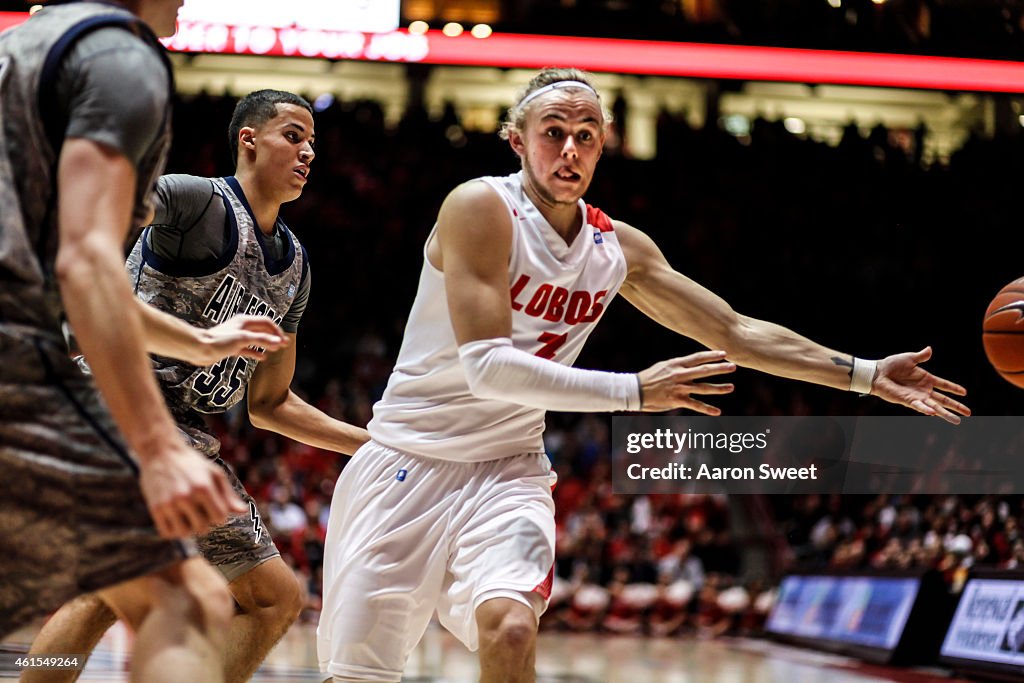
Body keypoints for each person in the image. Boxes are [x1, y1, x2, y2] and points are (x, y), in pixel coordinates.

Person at [315, 67, 970, 682]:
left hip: (506, 471)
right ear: (516, 140)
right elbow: (485, 367)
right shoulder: (480, 208)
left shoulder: (616, 248)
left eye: (586, 136)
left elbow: (735, 331)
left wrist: (865, 373)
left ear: (603, 147)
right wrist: (633, 391)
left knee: (512, 627)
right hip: (405, 463)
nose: (569, 149)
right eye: (553, 133)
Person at [24, 90, 370, 683]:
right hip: (117, 405)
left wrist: (372, 445)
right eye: (293, 135)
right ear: (249, 139)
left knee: (269, 600)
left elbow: (269, 404)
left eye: (313, 141)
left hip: (182, 431)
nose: (308, 151)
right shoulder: (197, 200)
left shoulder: (296, 268)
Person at [0, 1, 295, 682]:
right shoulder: (124, 62)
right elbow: (87, 265)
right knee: (183, 601)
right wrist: (158, 446)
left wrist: (197, 340)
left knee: (137, 590)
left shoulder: (35, 39)